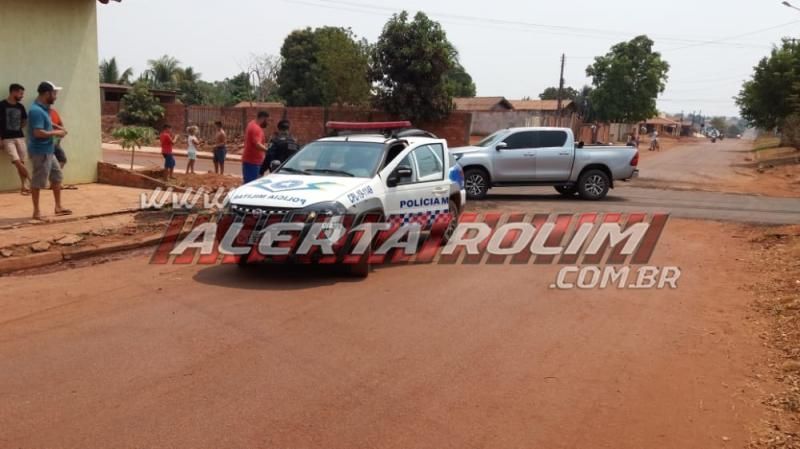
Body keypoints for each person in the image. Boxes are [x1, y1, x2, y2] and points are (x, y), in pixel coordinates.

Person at [28, 81, 70, 220]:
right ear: (47, 94)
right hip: (41, 152)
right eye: (54, 93)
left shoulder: (43, 109)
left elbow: (46, 122)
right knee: (38, 181)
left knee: (57, 177)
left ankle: (58, 207)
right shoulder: (36, 111)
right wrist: (56, 133)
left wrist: (58, 127)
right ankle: (36, 212)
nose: (56, 97)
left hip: (48, 150)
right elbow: (38, 133)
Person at [0, 83, 31, 195]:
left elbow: (24, 121)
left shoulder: (20, 106)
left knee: (22, 161)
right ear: (13, 92)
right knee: (17, 162)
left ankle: (24, 186)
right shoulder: (1, 105)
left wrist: (17, 127)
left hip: (20, 137)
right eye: (20, 93)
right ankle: (31, 182)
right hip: (7, 139)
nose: (22, 96)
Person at [242, 111, 270, 184]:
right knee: (251, 184)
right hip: (253, 162)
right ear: (263, 118)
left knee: (250, 183)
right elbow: (257, 144)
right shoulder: (256, 128)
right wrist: (268, 150)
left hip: (252, 161)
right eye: (267, 120)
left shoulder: (251, 124)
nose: (268, 123)